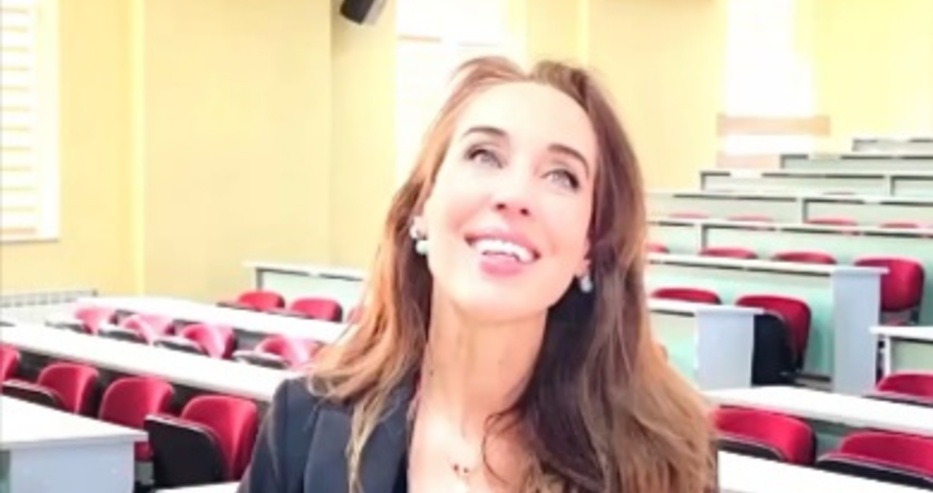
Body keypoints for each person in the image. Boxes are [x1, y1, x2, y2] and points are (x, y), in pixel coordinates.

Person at [238, 56, 717, 493]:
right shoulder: (302, 426)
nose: (515, 194)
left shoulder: (667, 460)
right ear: (422, 206)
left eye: (561, 176)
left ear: (589, 247)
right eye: (484, 155)